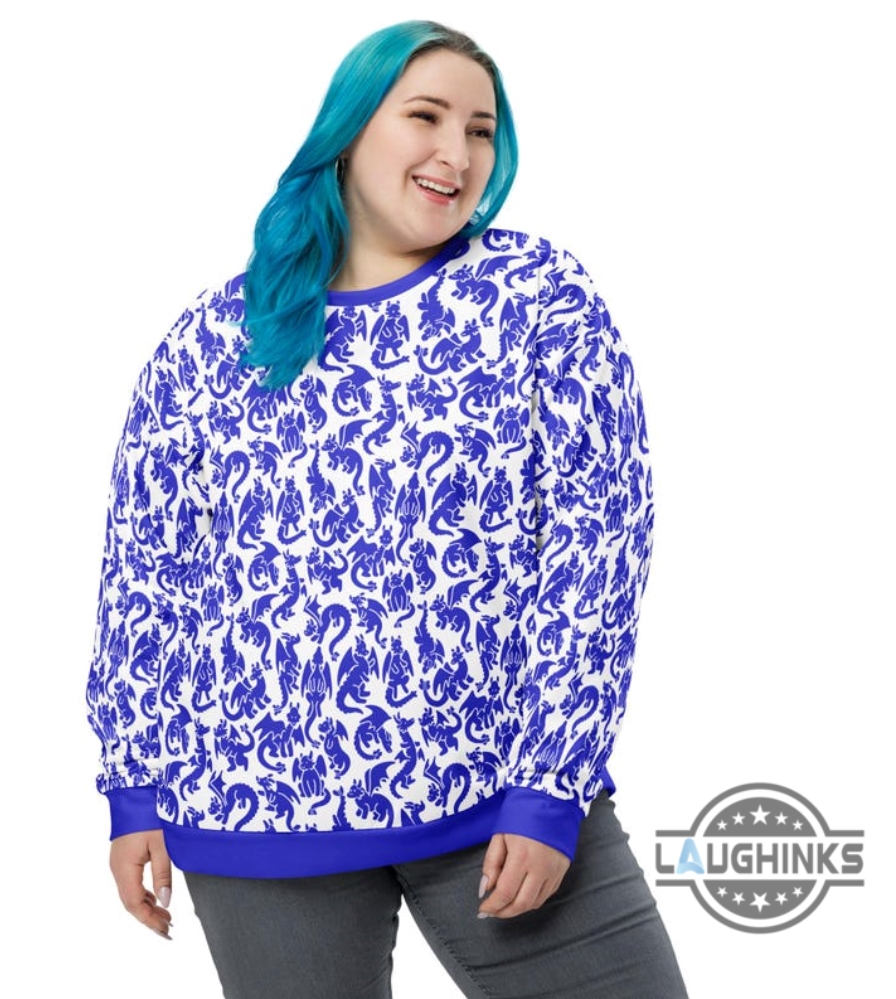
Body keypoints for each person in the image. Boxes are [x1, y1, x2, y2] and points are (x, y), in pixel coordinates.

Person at [86, 19, 688, 999]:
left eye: (481, 130)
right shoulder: (214, 337)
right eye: (426, 117)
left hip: (493, 794)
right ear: (349, 130)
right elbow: (149, 571)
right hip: (254, 805)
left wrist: (550, 784)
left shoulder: (535, 295)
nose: (458, 152)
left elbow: (599, 543)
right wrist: (133, 785)